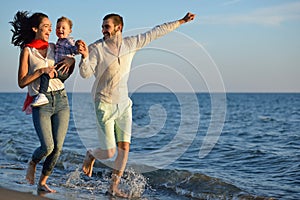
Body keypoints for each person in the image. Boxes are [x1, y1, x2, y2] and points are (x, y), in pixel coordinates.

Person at [76, 12, 195, 197]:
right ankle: (91, 154)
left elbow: (156, 32)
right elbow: (85, 73)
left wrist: (181, 21)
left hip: (124, 105)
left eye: (107, 26)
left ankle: (113, 186)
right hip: (103, 104)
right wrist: (84, 56)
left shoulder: (131, 43)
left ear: (118, 28)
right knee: (109, 152)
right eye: (102, 26)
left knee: (124, 150)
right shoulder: (96, 48)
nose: (103, 30)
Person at [10, 11, 75, 193]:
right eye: (45, 26)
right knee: (47, 146)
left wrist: (71, 61)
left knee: (58, 148)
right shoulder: (27, 51)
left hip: (61, 99)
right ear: (35, 28)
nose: (49, 29)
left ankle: (43, 182)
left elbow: (66, 70)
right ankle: (32, 162)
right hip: (41, 102)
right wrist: (41, 71)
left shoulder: (56, 47)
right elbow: (22, 82)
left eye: (49, 26)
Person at [31, 16, 78, 107]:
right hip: (59, 68)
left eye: (63, 28)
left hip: (63, 69)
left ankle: (42, 95)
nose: (60, 29)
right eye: (58, 27)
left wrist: (78, 48)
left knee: (46, 74)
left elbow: (74, 49)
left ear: (70, 31)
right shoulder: (59, 42)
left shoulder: (68, 41)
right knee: (48, 74)